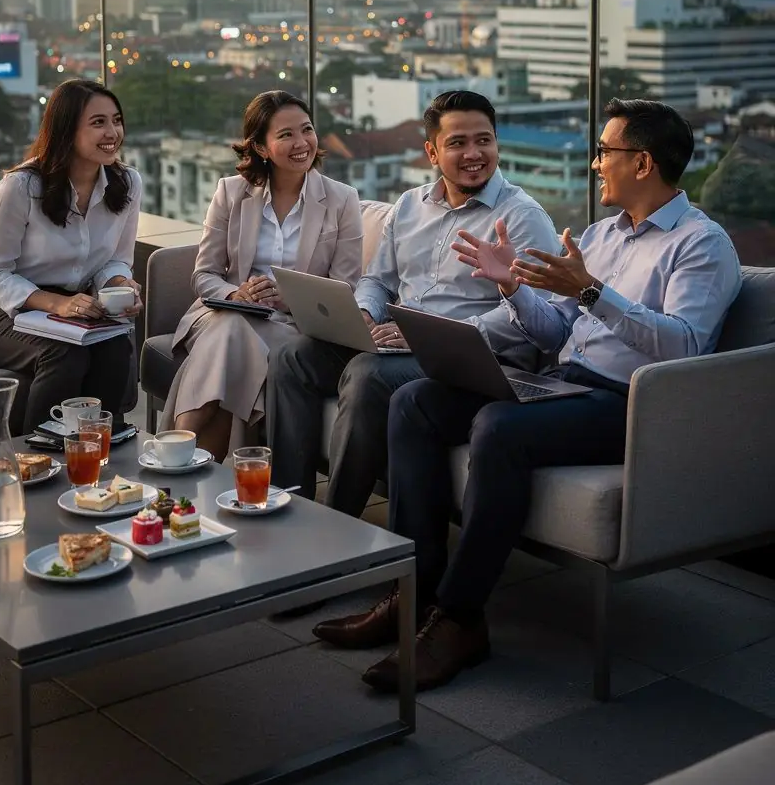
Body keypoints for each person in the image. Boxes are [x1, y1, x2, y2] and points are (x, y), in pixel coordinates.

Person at [319, 98, 742, 693]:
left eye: (605, 152)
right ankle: (413, 589)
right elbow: (554, 330)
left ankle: (460, 620)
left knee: (497, 426)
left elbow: (684, 349)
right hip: (564, 382)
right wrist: (513, 288)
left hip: (632, 405)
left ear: (642, 163)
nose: (597, 164)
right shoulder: (601, 235)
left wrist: (593, 292)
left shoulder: (701, 244)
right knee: (415, 401)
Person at [267, 89, 559, 519]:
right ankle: (287, 503)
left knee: (367, 375)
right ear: (432, 152)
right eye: (457, 143)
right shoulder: (410, 205)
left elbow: (539, 318)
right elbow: (378, 280)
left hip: (475, 359)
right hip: (399, 343)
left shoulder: (522, 216)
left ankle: (337, 521)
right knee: (294, 357)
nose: (474, 153)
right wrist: (364, 314)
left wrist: (422, 336)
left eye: (484, 140)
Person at [162, 91, 362, 462]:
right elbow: (204, 275)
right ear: (261, 147)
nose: (302, 143)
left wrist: (285, 299)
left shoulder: (342, 200)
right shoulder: (231, 192)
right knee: (233, 327)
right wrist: (239, 294)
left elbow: (345, 290)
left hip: (291, 326)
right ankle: (194, 471)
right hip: (225, 311)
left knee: (232, 340)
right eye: (286, 135)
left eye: (307, 130)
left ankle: (174, 453)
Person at [0, 79, 142, 433]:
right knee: (64, 354)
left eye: (116, 120)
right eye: (98, 122)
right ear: (66, 129)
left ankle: (99, 451)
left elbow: (115, 260)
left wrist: (122, 284)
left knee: (115, 347)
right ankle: (36, 458)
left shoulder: (127, 183)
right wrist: (55, 304)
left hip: (69, 308)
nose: (113, 132)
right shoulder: (20, 188)